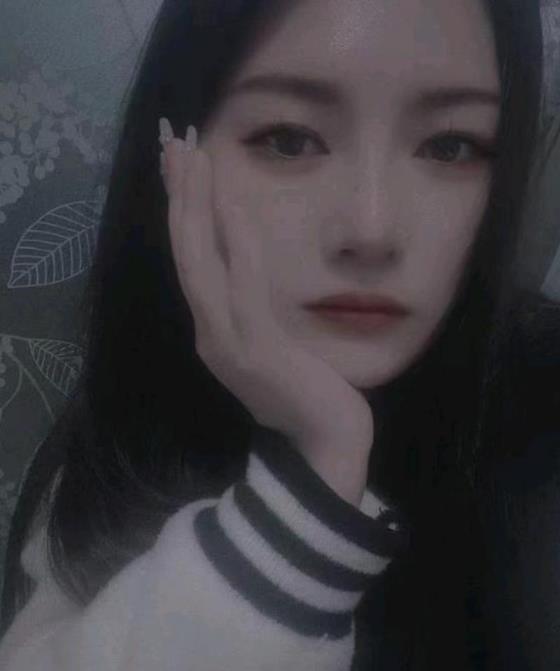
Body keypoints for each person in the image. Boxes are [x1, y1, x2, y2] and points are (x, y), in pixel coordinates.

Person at [0, 0, 558, 668]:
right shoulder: (115, 449)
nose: (372, 229)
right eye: (290, 140)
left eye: (449, 146)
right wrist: (319, 468)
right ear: (177, 158)